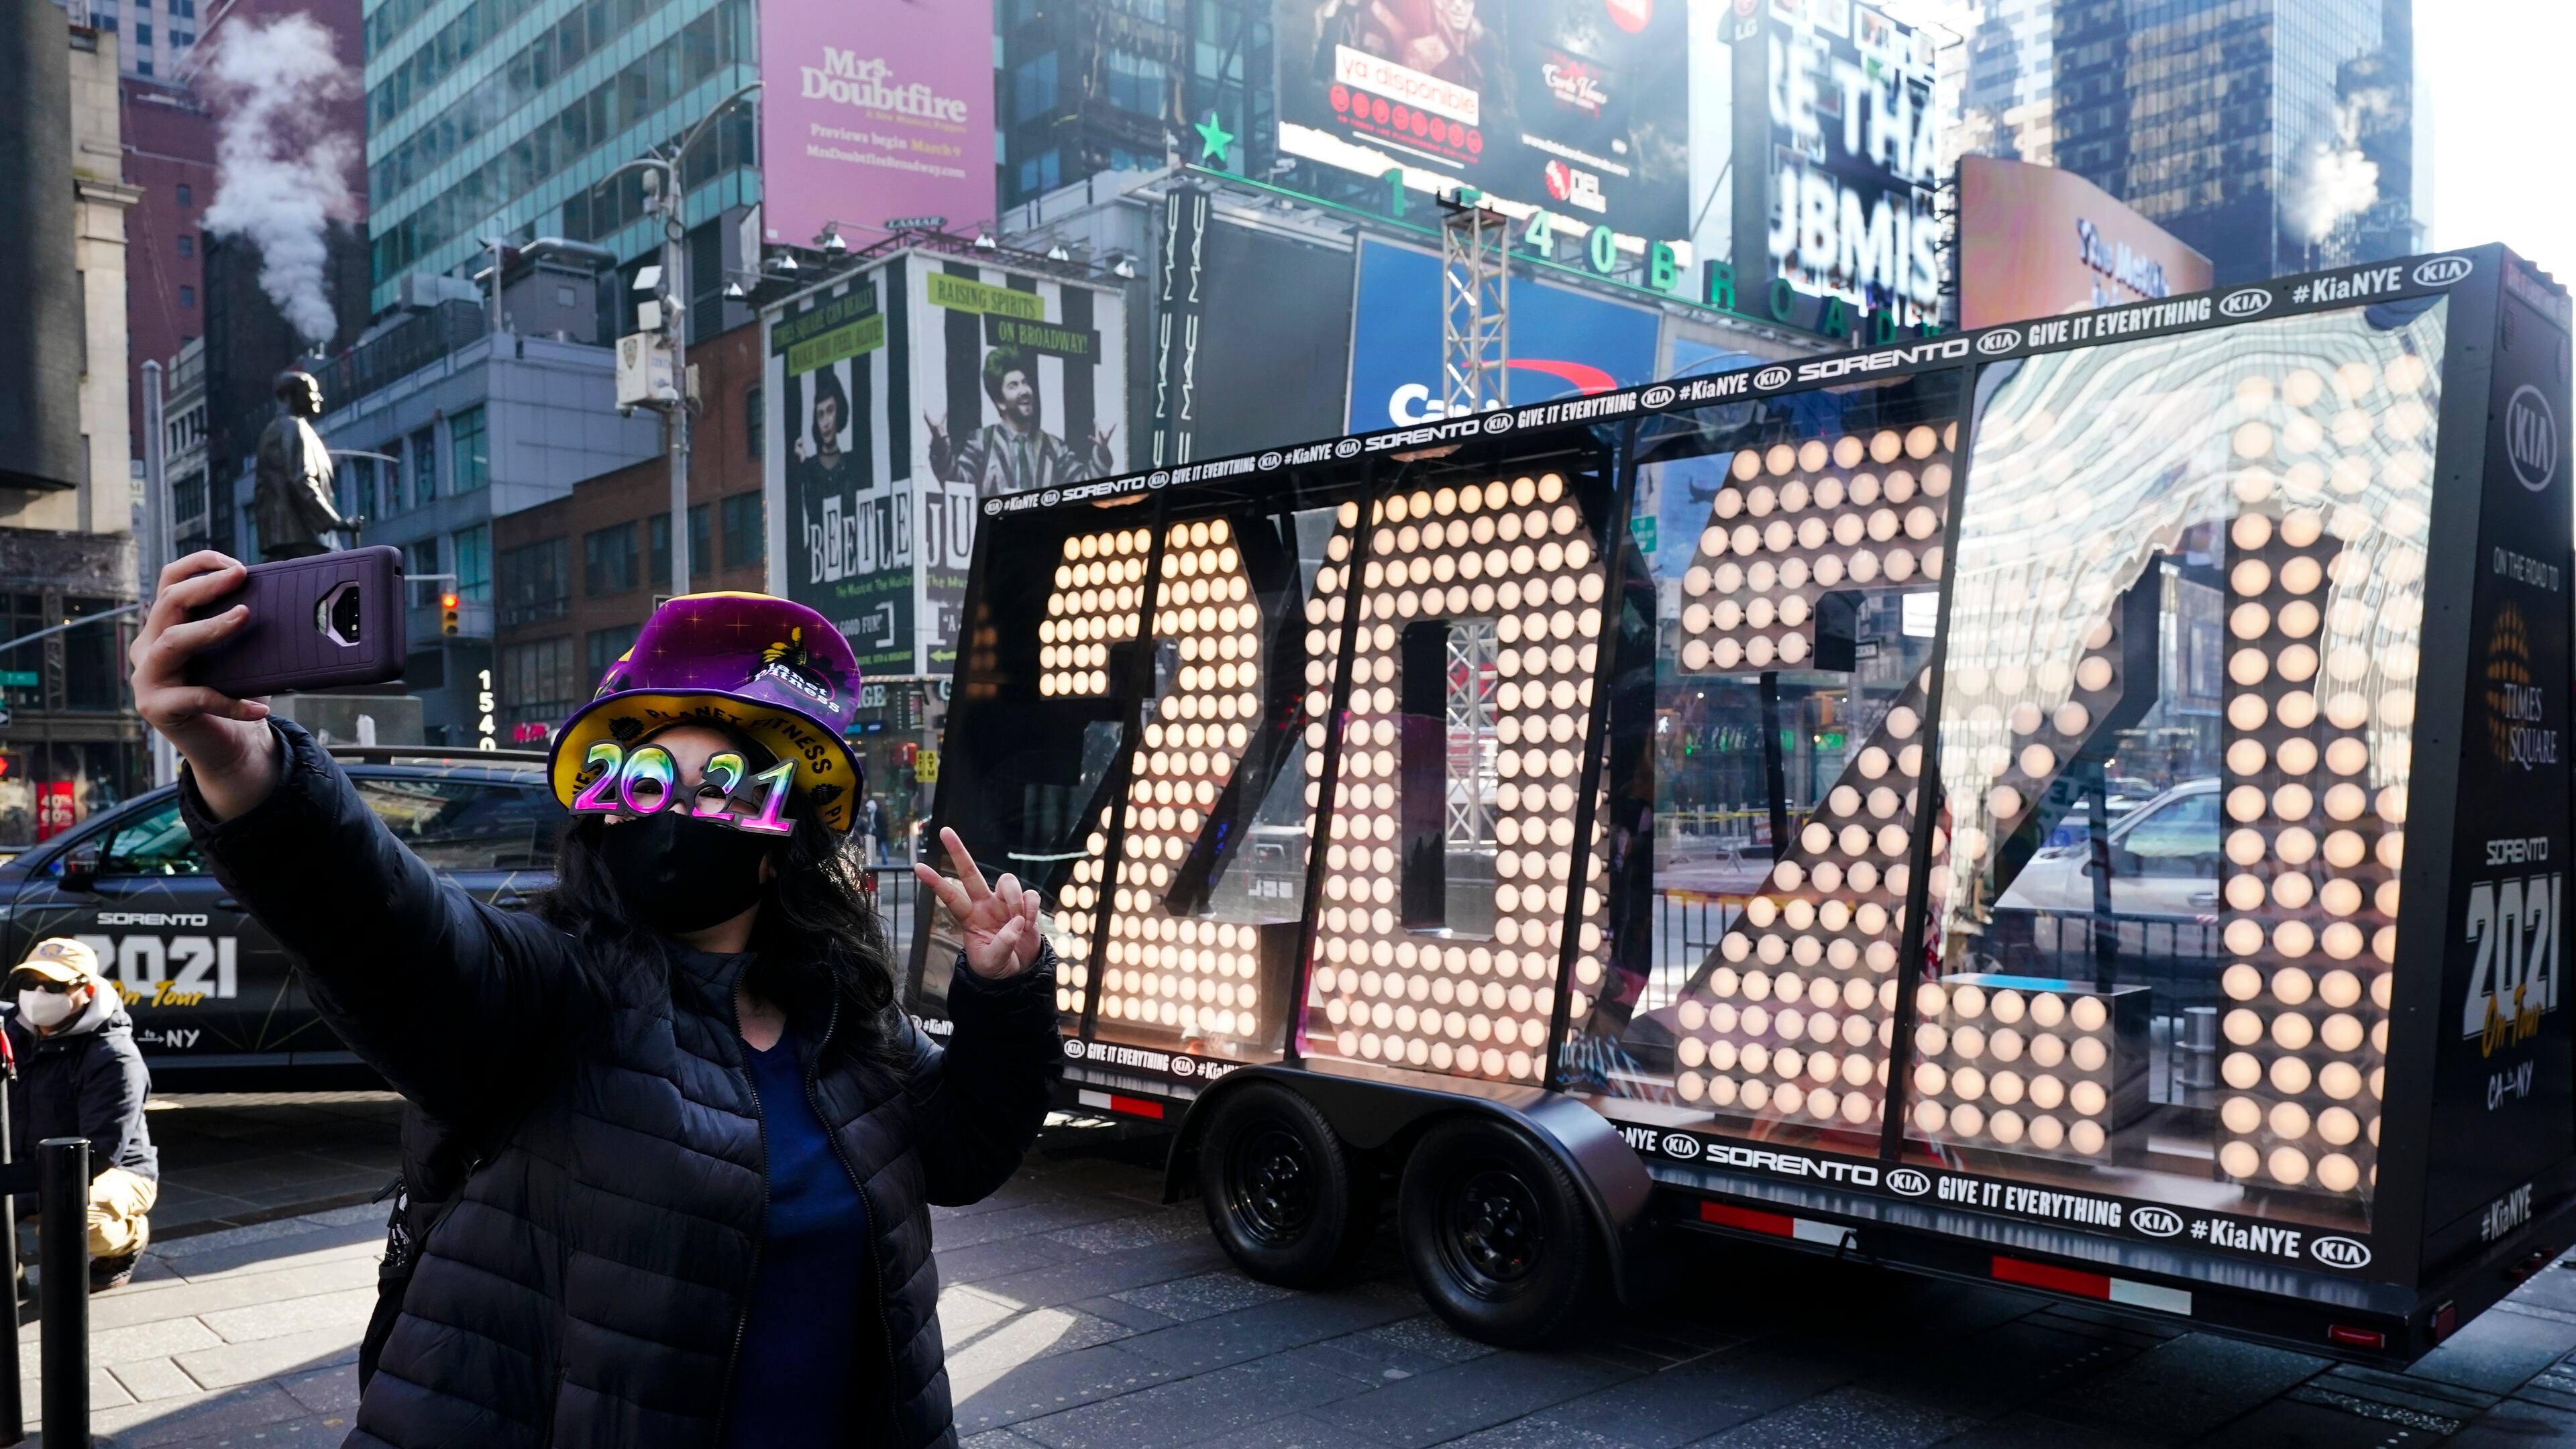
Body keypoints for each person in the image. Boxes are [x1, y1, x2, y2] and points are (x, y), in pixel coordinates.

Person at [133, 559, 1063, 1448]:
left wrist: (1003, 994)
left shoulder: (848, 1017)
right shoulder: (553, 993)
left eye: (725, 792)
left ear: (780, 848)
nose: (674, 814)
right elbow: (396, 934)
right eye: (644, 784)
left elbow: (965, 1151)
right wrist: (255, 771)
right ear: (603, 817)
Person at [5, 937, 158, 1292]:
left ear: (86, 989)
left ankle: (129, 1240)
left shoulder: (114, 1056)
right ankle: (10, 1280)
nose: (38, 995)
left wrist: (17, 1190)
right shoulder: (12, 1032)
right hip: (32, 1163)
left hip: (114, 1169)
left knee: (69, 1217)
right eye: (30, 984)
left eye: (55, 986)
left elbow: (100, 1153)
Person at [926, 346, 1117, 496]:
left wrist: (1101, 452)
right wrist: (940, 446)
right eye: (1013, 386)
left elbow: (1085, 488)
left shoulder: (1053, 447)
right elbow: (957, 483)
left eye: (1025, 383)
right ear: (1000, 402)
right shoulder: (981, 443)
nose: (1025, 390)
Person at [252, 370, 360, 560]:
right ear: (290, 395)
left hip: (283, 538)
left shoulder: (270, 432)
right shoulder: (295, 428)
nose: (319, 398)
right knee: (344, 577)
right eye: (312, 392)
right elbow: (301, 479)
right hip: (305, 535)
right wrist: (334, 522)